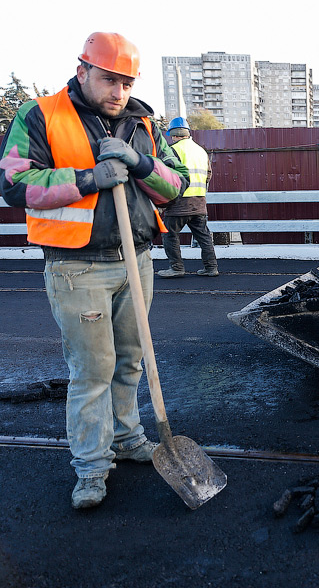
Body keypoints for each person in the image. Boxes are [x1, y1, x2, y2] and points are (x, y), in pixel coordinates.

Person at [0, 32, 188, 509]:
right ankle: (91, 466)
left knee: (131, 360)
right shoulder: (40, 114)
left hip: (137, 260)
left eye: (126, 82)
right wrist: (88, 180)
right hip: (76, 267)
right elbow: (14, 181)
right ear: (82, 70)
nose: (118, 92)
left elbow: (176, 187)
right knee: (92, 371)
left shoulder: (143, 120)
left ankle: (127, 438)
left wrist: (140, 163)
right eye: (109, 80)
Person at [157, 117, 218, 278]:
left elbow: (167, 176)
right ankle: (211, 268)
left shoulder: (172, 150)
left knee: (170, 235)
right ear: (187, 132)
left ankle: (176, 268)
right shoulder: (201, 151)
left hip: (179, 203)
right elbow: (208, 175)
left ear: (173, 134)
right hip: (199, 202)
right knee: (204, 236)